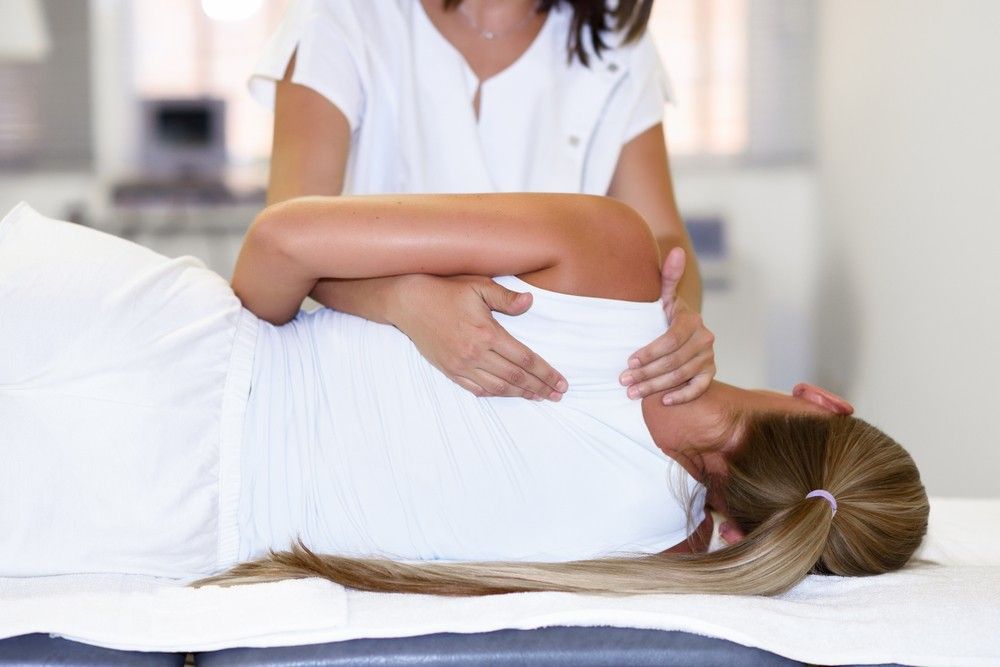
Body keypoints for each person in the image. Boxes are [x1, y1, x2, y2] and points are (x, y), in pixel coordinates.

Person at [0, 196, 928, 597]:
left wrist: (399, 300)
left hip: (157, 336)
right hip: (161, 523)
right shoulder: (659, 563)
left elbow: (277, 252)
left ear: (825, 401)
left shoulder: (606, 259)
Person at [251, 0, 717, 406]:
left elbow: (663, 235)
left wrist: (682, 320)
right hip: (372, 376)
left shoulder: (616, 40)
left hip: (550, 391)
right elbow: (291, 241)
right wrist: (402, 301)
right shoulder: (341, 14)